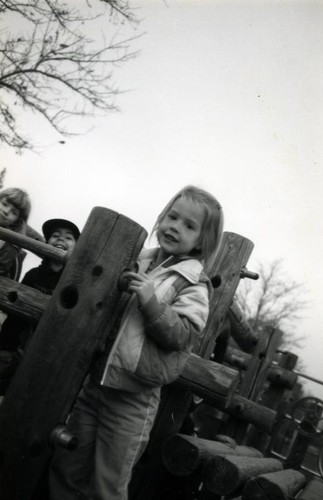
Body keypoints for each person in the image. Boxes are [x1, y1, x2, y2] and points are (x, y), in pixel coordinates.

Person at [49, 185, 224, 500]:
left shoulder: (193, 283)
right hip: (94, 386)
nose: (175, 226)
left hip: (134, 400)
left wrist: (151, 302)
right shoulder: (137, 258)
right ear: (161, 217)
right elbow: (96, 271)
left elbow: (183, 335)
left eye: (189, 225)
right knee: (68, 465)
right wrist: (80, 259)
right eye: (172, 216)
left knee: (109, 483)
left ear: (202, 242)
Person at [0, 218, 80, 391]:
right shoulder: (33, 275)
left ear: (77, 247)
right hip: (21, 349)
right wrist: (6, 347)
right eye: (55, 236)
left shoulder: (77, 283)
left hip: (54, 354)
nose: (60, 239)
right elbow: (15, 317)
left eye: (68, 237)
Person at [0, 187, 31, 279]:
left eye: (14, 212)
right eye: (4, 204)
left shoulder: (10, 243)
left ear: (17, 221)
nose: (6, 211)